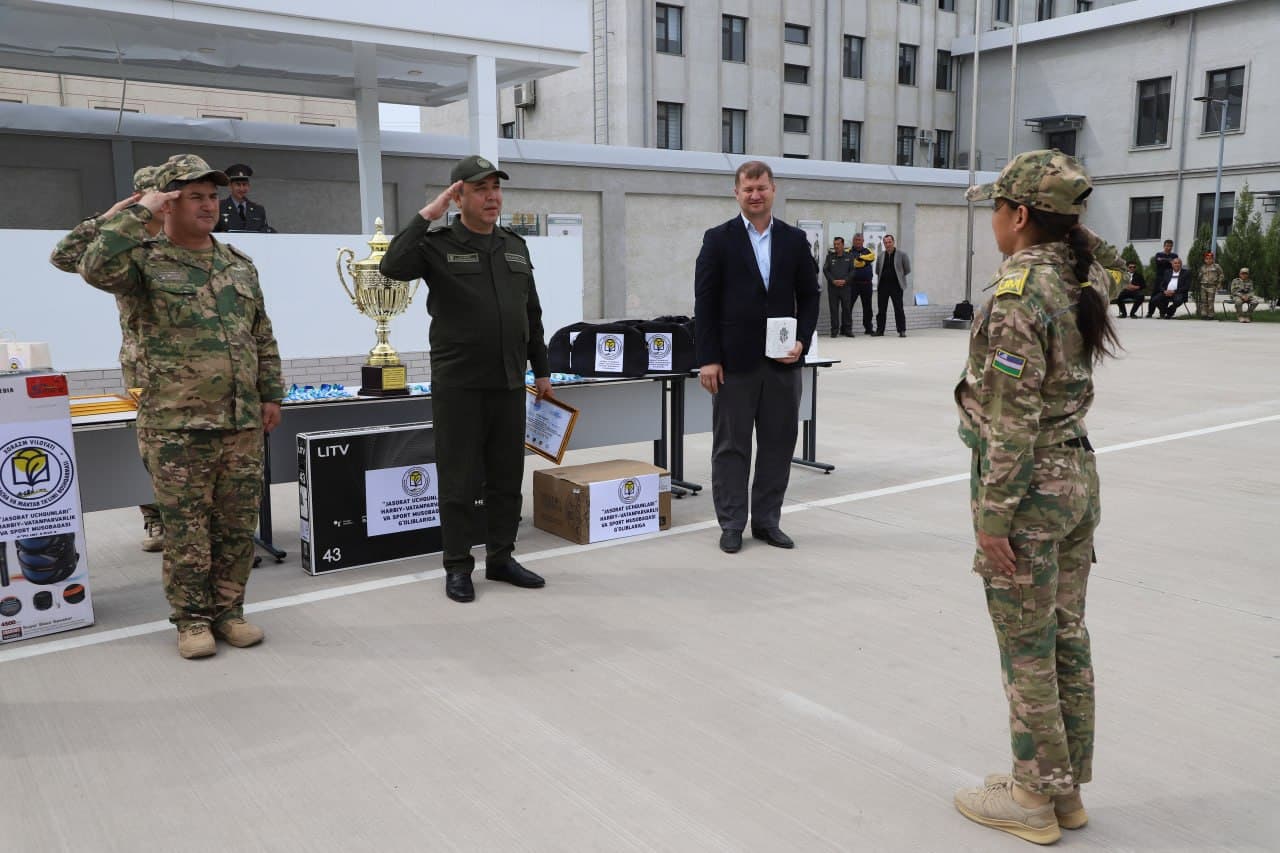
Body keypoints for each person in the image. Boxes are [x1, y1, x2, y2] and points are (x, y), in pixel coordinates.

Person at [953, 149, 1123, 846]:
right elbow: (1115, 261)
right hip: (1076, 484)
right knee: (1065, 638)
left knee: (1027, 646)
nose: (991, 219)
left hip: (1029, 495)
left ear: (1019, 216)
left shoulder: (1020, 295)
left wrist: (993, 517)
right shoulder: (1083, 278)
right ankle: (1065, 791)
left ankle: (1030, 795)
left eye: (996, 207)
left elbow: (1011, 421)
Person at [78, 154, 284, 659]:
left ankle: (229, 612)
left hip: (240, 421)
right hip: (176, 424)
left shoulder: (238, 263)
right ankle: (191, 621)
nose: (209, 204)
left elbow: (260, 333)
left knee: (236, 528)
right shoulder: (141, 261)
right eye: (195, 196)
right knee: (187, 530)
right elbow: (83, 262)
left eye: (212, 196)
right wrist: (131, 212)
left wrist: (271, 393)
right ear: (167, 204)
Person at [379, 154, 551, 604]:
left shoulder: (514, 245)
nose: (492, 196)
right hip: (459, 385)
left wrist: (543, 370)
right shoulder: (437, 243)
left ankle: (501, 558)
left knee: (505, 478)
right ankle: (458, 566)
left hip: (509, 382)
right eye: (480, 189)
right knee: (459, 481)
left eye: (496, 188)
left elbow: (531, 313)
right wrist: (429, 213)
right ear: (459, 195)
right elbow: (391, 266)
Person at [693, 160, 819, 554]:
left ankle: (767, 522)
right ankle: (732, 523)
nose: (755, 194)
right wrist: (708, 358)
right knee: (731, 446)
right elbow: (705, 302)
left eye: (761, 187)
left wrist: (801, 340)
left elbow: (812, 295)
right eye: (748, 189)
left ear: (773, 190)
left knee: (778, 444)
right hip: (734, 364)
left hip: (783, 363)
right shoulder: (718, 239)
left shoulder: (794, 240)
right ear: (736, 193)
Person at [50, 165, 168, 553]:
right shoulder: (123, 245)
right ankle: (156, 521)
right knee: (149, 449)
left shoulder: (189, 241)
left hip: (197, 369)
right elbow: (64, 257)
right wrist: (106, 221)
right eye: (154, 197)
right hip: (145, 367)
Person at [214, 164, 275, 233]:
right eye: (238, 184)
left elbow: (265, 233)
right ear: (230, 186)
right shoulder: (219, 207)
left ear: (248, 186)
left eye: (244, 184)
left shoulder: (258, 210)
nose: (242, 188)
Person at [873, 234, 911, 337]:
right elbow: (877, 270)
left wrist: (898, 277)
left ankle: (901, 330)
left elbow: (907, 269)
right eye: (885, 242)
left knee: (898, 308)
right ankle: (880, 330)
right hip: (883, 286)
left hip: (896, 286)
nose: (887, 244)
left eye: (889, 242)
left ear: (893, 242)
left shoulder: (902, 254)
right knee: (881, 310)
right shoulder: (881, 255)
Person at [822, 236, 855, 337]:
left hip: (846, 288)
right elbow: (825, 270)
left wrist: (845, 280)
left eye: (838, 244)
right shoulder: (830, 257)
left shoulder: (849, 257)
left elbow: (852, 271)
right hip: (833, 288)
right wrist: (833, 280)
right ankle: (834, 331)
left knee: (847, 309)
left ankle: (847, 330)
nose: (836, 246)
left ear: (843, 245)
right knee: (834, 310)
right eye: (835, 244)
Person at [848, 233, 876, 335]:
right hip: (853, 284)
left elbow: (872, 257)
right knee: (848, 307)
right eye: (856, 240)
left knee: (867, 307)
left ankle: (868, 328)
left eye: (859, 240)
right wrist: (863, 261)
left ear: (863, 241)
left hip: (866, 284)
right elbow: (853, 263)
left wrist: (861, 259)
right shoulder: (849, 252)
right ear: (853, 241)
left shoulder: (868, 251)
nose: (857, 241)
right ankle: (846, 328)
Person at [1198, 250, 1224, 319]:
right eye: (1207, 259)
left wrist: (1219, 283)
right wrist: (1200, 275)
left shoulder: (1216, 266)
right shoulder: (1203, 267)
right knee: (1203, 300)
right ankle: (1204, 314)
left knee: (1210, 301)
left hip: (1212, 286)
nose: (1208, 260)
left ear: (1212, 259)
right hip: (1203, 285)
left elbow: (1221, 275)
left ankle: (1211, 315)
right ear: (1205, 260)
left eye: (1210, 259)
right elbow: (1199, 276)